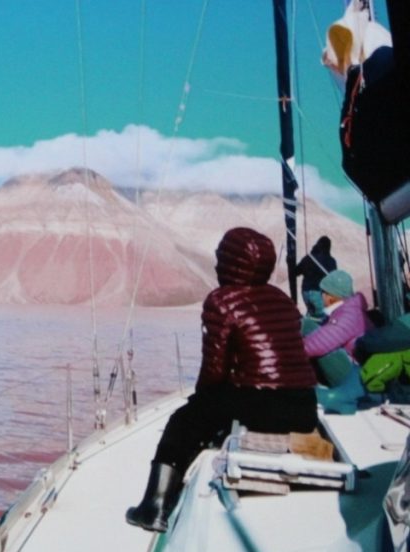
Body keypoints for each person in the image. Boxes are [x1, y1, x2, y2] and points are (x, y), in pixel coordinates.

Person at [126, 227, 319, 533]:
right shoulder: (283, 300)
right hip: (304, 405)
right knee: (218, 407)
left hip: (260, 403)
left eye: (221, 258)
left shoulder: (222, 300)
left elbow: (214, 370)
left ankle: (154, 509)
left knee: (184, 421)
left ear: (232, 262)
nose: (217, 265)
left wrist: (200, 404)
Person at [303, 269, 371, 413]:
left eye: (323, 293)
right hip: (355, 369)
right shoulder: (348, 310)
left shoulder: (349, 315)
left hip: (355, 377)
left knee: (308, 328)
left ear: (331, 297)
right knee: (309, 327)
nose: (321, 297)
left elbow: (316, 345)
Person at [295, 236, 337, 318]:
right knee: (323, 318)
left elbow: (295, 272)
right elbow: (333, 281)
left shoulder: (309, 258)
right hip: (318, 293)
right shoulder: (330, 261)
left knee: (313, 314)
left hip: (306, 292)